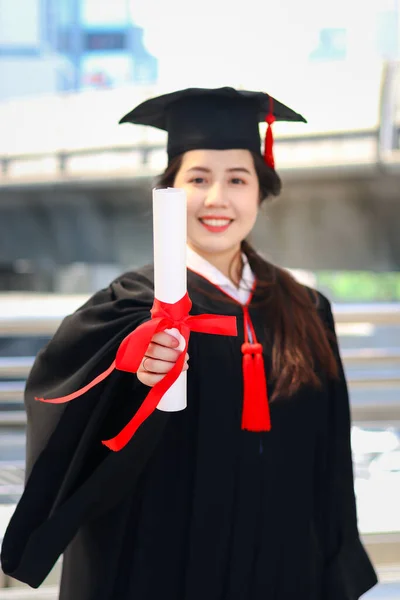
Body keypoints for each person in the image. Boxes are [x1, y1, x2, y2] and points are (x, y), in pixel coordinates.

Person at [1, 87, 378, 600]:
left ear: (260, 193)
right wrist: (134, 378)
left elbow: (328, 461)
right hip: (161, 570)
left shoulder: (307, 309)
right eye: (197, 178)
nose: (217, 198)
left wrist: (334, 571)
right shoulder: (129, 308)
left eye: (237, 179)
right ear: (170, 192)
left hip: (284, 568)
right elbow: (64, 410)